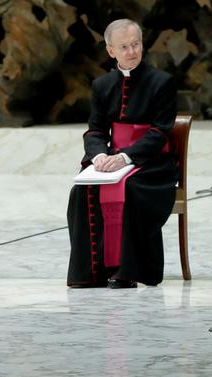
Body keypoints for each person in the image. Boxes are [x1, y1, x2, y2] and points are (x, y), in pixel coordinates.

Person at [67, 19, 178, 289]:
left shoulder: (162, 82)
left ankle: (127, 271)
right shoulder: (102, 85)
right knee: (83, 190)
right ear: (111, 51)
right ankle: (92, 273)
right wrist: (98, 157)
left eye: (136, 44)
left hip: (152, 163)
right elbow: (95, 131)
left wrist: (126, 157)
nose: (132, 52)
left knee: (131, 188)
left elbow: (160, 132)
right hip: (112, 159)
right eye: (124, 46)